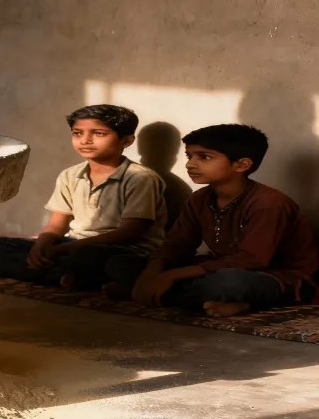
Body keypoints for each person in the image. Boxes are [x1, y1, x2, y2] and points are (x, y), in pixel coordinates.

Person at [106, 124, 318, 317]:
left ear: (242, 165)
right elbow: (177, 244)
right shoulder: (200, 198)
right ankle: (191, 297)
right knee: (120, 264)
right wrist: (151, 274)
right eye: (189, 156)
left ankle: (247, 303)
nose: (190, 164)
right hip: (219, 268)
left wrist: (170, 277)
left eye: (204, 157)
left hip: (273, 277)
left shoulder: (269, 203)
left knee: (227, 284)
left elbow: (252, 260)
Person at [0, 105, 166, 290]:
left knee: (100, 261)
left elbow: (129, 233)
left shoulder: (141, 178)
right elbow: (57, 225)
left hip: (119, 250)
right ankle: (63, 277)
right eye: (77, 133)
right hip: (72, 245)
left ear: (126, 141)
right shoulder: (70, 175)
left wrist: (61, 250)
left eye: (98, 133)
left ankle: (24, 271)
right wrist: (40, 246)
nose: (85, 140)